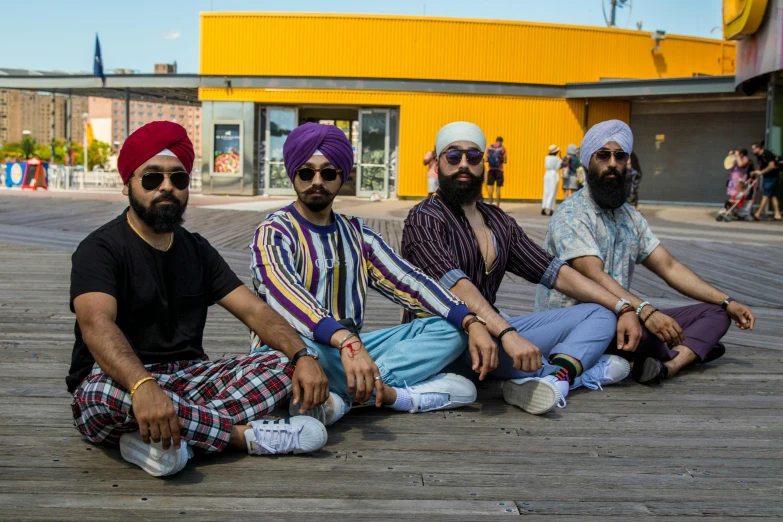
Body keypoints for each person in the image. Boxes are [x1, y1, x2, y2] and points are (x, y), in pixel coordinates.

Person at [68, 121, 329, 478]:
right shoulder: (100, 250)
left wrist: (303, 356)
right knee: (98, 391)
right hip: (119, 381)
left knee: (280, 365)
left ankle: (166, 439)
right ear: (127, 183)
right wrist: (143, 386)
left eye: (178, 178)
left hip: (189, 376)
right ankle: (242, 437)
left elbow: (254, 311)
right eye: (151, 178)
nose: (166, 187)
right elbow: (95, 324)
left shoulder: (197, 249)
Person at [250, 122, 495, 426]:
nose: (316, 181)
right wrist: (346, 342)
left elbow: (410, 281)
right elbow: (285, 295)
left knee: (451, 329)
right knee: (280, 357)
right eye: (306, 172)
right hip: (297, 351)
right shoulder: (273, 232)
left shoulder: (357, 234)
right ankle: (395, 396)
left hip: (350, 350)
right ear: (293, 174)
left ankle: (344, 398)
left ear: (342, 176)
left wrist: (470, 320)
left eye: (327, 173)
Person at [401, 121, 643, 417]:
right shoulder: (424, 218)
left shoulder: (498, 221)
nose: (464, 164)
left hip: (493, 334)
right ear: (438, 163)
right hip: (443, 340)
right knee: (477, 334)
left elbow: (555, 271)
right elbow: (455, 287)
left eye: (473, 157)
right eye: (453, 156)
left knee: (600, 311)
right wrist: (507, 334)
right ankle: (569, 373)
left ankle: (557, 379)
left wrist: (624, 307)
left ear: (484, 164)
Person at [536, 120, 756, 384]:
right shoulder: (572, 214)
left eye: (620, 156)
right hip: (584, 323)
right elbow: (593, 274)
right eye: (603, 155)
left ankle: (669, 365)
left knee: (716, 314)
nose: (612, 164)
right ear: (587, 162)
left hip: (627, 315)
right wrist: (646, 311)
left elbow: (669, 267)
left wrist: (727, 301)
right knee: (634, 325)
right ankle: (688, 351)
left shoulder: (630, 216)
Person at [750, 141, 782, 221]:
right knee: (772, 195)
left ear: (758, 148)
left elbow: (772, 166)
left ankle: (758, 213)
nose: (752, 151)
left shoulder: (767, 154)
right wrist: (755, 172)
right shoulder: (759, 156)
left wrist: (761, 172)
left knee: (765, 195)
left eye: (753, 149)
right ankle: (777, 214)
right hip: (767, 177)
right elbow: (760, 165)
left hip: (772, 177)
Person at [485, 136, 506, 207]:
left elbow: (486, 159)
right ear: (501, 141)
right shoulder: (502, 148)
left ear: (496, 140)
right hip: (499, 170)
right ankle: (497, 207)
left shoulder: (489, 148)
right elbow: (505, 160)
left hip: (491, 170)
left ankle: (490, 206)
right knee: (498, 189)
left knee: (491, 189)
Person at [542, 145, 561, 216]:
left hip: (547, 174)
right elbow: (560, 165)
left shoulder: (546, 158)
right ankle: (551, 209)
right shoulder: (557, 159)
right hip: (553, 174)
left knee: (546, 191)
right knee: (552, 192)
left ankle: (543, 208)